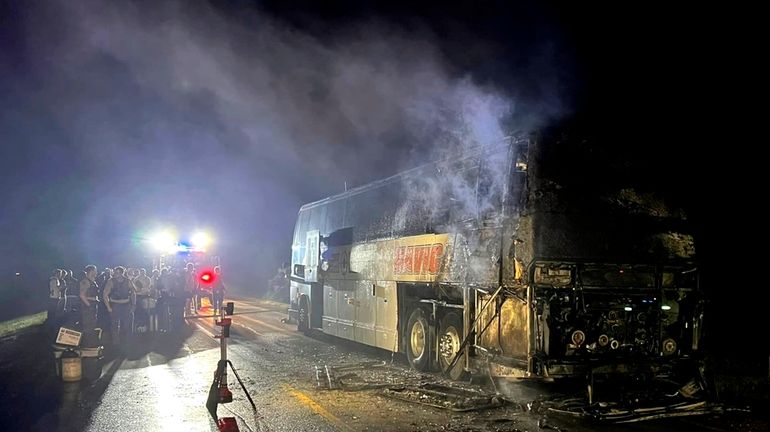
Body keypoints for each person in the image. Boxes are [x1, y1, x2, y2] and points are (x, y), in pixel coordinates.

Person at [103, 266, 136, 346]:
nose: (115, 274)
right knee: (114, 326)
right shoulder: (111, 281)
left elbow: (133, 293)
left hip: (126, 305)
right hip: (115, 305)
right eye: (115, 272)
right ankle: (116, 345)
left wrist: (133, 305)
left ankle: (128, 343)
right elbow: (105, 294)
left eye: (117, 272)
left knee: (128, 326)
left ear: (122, 273)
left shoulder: (128, 281)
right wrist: (108, 307)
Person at [78, 265, 100, 347]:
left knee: (92, 325)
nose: (96, 272)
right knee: (88, 326)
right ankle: (88, 344)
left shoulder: (92, 281)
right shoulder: (85, 281)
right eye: (95, 270)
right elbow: (81, 295)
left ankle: (91, 343)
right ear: (91, 271)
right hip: (88, 307)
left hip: (93, 306)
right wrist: (89, 305)